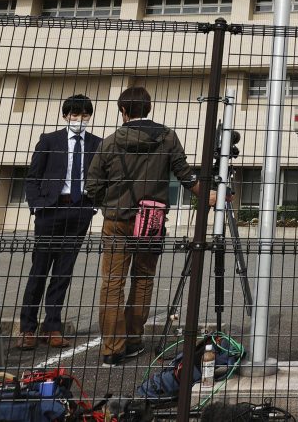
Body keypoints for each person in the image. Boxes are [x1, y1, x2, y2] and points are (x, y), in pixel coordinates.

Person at [87, 86, 206, 367]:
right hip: (151, 218)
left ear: (123, 111)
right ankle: (133, 338)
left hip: (116, 220)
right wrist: (207, 193)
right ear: (149, 108)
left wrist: (112, 203)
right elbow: (185, 175)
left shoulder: (110, 142)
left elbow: (92, 185)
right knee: (143, 279)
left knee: (112, 283)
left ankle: (112, 349)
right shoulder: (167, 137)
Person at [17, 94, 102, 350]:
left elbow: (102, 177)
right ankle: (27, 328)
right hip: (50, 210)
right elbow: (33, 176)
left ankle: (53, 326)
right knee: (39, 270)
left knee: (63, 272)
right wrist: (37, 205)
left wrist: (92, 205)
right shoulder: (49, 140)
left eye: (84, 115)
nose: (79, 119)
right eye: (74, 115)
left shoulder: (97, 144)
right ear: (65, 116)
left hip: (79, 211)